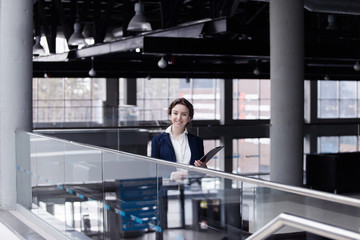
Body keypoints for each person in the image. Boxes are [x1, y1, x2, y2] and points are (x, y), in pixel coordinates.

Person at [151, 98, 206, 181]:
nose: (179, 118)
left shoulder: (197, 141)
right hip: (167, 190)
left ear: (189, 118)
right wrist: (171, 176)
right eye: (175, 113)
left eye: (184, 114)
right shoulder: (157, 140)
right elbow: (153, 171)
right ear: (170, 115)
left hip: (192, 190)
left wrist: (203, 167)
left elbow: (202, 173)